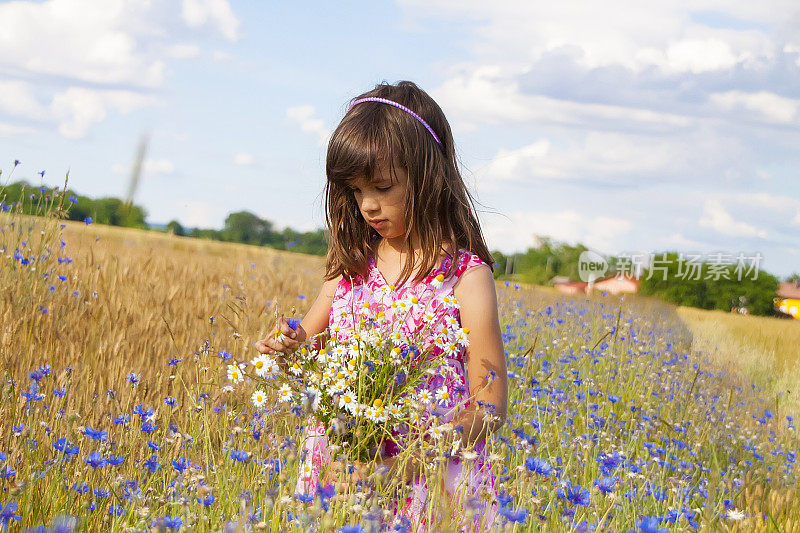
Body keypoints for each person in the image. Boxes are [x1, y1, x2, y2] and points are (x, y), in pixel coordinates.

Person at [255, 80, 508, 532]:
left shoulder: (466, 277)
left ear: (427, 175)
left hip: (430, 485)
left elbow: (489, 406)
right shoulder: (351, 266)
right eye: (355, 191)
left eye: (382, 186)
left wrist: (409, 464)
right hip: (345, 474)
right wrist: (287, 345)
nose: (367, 204)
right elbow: (306, 350)